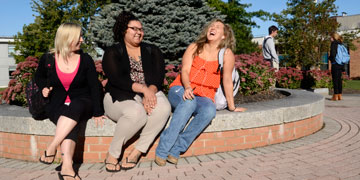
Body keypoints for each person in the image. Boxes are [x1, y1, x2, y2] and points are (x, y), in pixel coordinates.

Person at [155, 19, 247, 166]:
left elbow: (228, 81)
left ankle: (177, 149)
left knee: (209, 111)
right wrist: (187, 87)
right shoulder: (194, 47)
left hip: (204, 95)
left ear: (224, 35)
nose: (213, 28)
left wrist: (232, 106)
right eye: (211, 26)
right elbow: (184, 70)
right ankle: (163, 149)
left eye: (217, 27)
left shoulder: (226, 54)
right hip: (180, 88)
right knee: (188, 102)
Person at [102, 11, 171, 172]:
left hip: (149, 91)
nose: (139, 32)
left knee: (164, 108)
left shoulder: (152, 50)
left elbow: (158, 77)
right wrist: (143, 90)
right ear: (123, 30)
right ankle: (112, 154)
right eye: (134, 28)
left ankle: (137, 151)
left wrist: (150, 93)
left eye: (141, 29)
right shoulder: (113, 52)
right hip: (118, 95)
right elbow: (117, 79)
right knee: (136, 113)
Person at [35, 23, 105, 180]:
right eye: (78, 36)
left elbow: (94, 86)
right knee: (69, 122)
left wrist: (98, 112)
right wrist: (44, 88)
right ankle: (67, 168)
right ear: (67, 38)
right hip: (56, 103)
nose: (82, 39)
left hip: (83, 101)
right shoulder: (48, 58)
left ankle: (52, 147)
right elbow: (38, 77)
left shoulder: (85, 59)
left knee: (75, 106)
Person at [329, 32, 346, 101]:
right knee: (339, 80)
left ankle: (335, 96)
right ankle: (339, 95)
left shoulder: (333, 44)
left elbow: (333, 54)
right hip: (341, 64)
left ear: (333, 38)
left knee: (335, 80)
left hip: (335, 64)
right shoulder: (340, 44)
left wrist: (330, 58)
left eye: (331, 37)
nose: (330, 38)